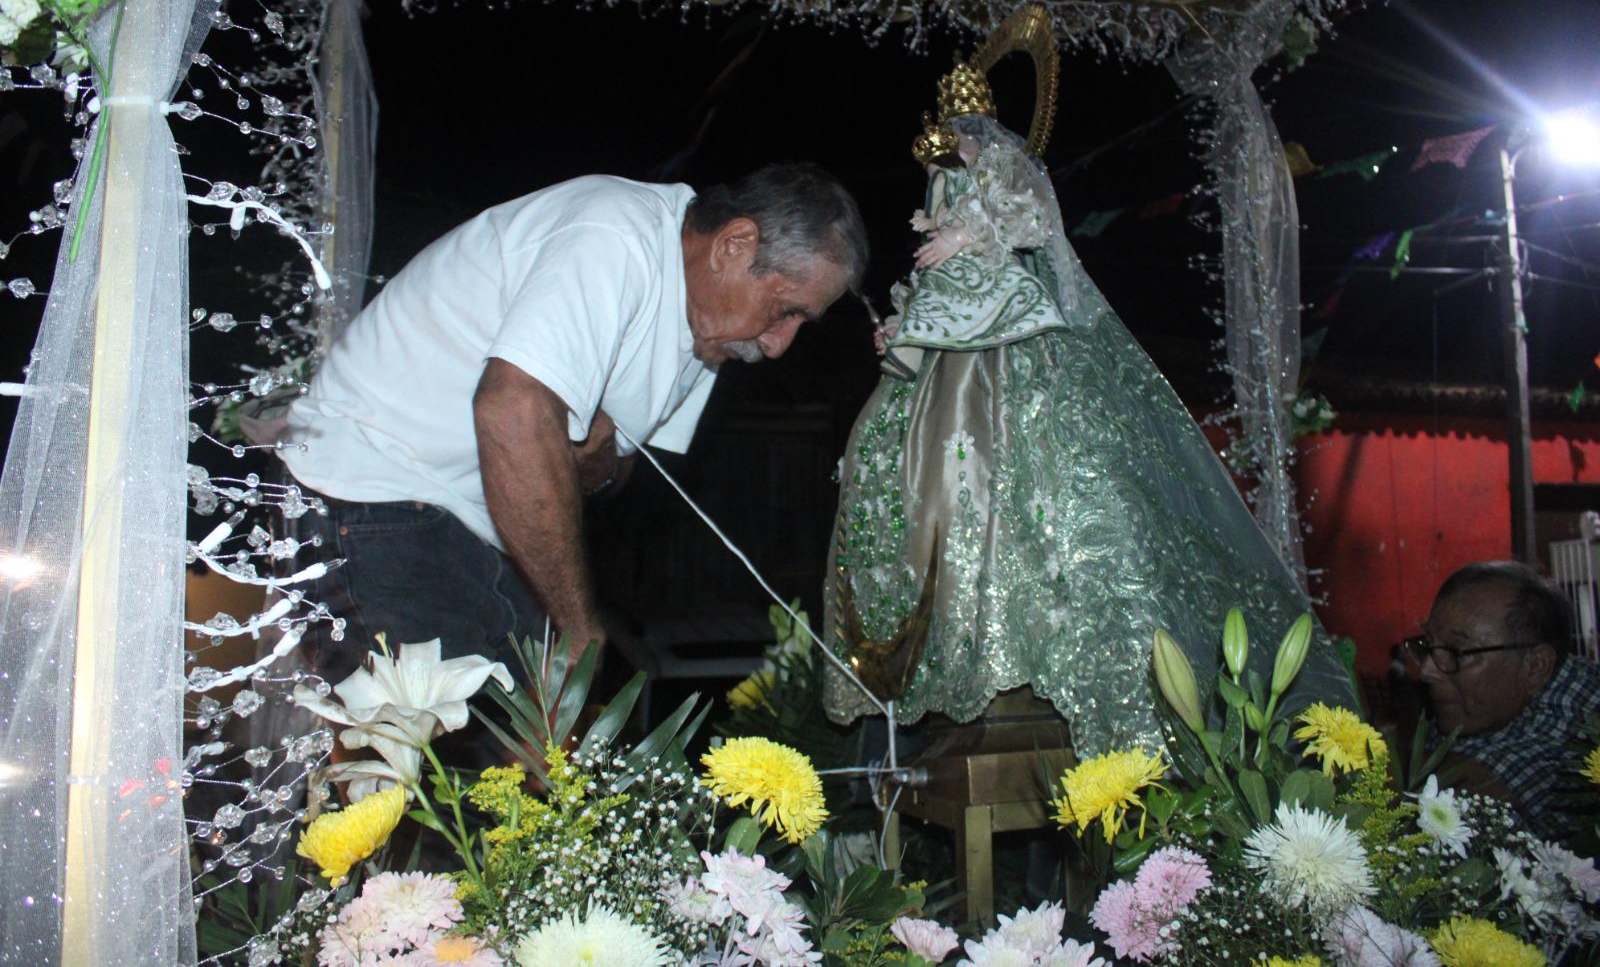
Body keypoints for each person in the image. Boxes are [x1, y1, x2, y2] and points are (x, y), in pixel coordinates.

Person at [823, 37, 1353, 754]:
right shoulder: (942, 176)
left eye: (957, 128)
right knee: (924, 472)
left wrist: (969, 234)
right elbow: (932, 272)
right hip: (951, 335)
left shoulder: (1002, 166)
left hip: (1010, 328)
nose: (949, 148)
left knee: (1030, 473)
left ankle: (1039, 652)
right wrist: (906, 323)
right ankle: (961, 650)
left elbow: (1032, 219)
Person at [280, 165, 867, 685]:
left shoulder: (708, 333)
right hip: (370, 488)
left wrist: (596, 461)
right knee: (429, 755)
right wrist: (579, 628)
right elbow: (511, 409)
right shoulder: (613, 233)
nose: (780, 343)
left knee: (537, 750)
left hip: (467, 525)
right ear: (734, 245)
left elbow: (610, 472)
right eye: (785, 309)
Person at [1405, 560, 1600, 839]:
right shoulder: (1485, 704)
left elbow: (1454, 790)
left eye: (1456, 651)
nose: (1427, 671)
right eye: (1428, 644)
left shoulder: (1581, 719)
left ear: (1535, 667)